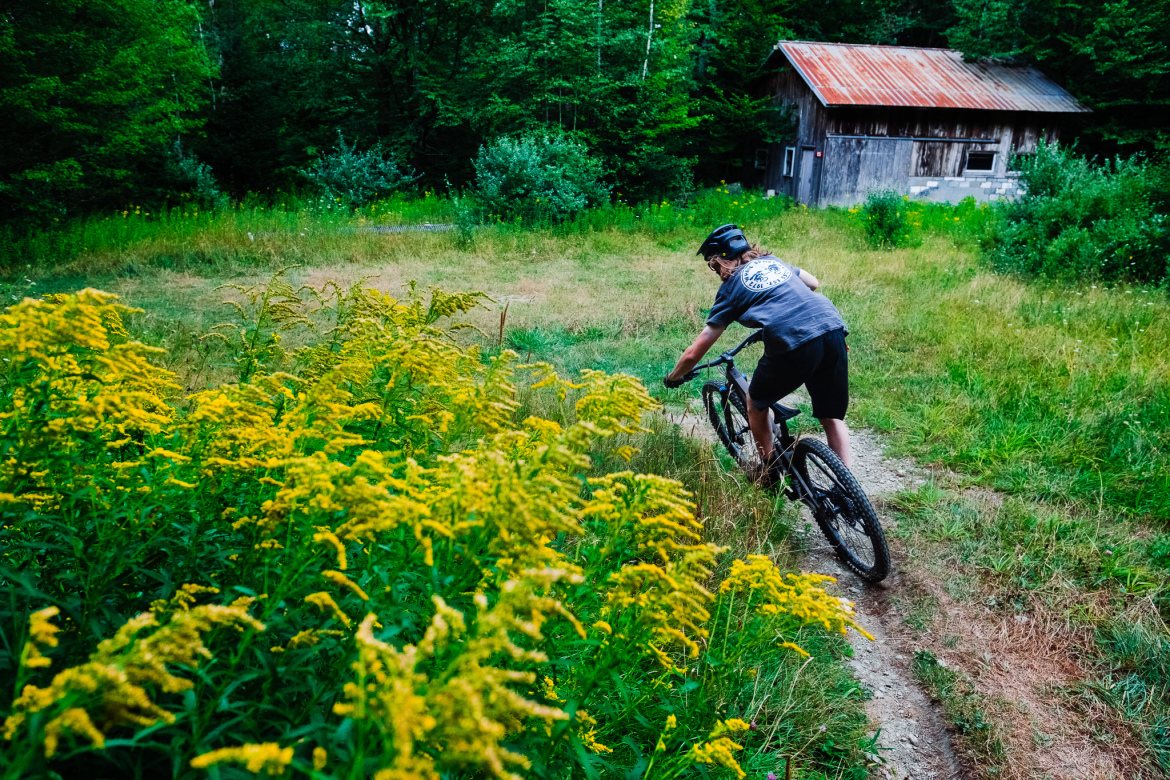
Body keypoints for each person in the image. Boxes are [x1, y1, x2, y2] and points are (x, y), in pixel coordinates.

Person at [664, 223, 852, 475]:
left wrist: (673, 377)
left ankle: (769, 471)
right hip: (832, 326)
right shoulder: (773, 262)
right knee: (831, 416)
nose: (715, 271)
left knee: (755, 401)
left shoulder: (730, 289)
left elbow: (695, 352)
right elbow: (813, 283)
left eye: (713, 265)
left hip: (794, 340)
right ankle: (848, 488)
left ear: (719, 260)